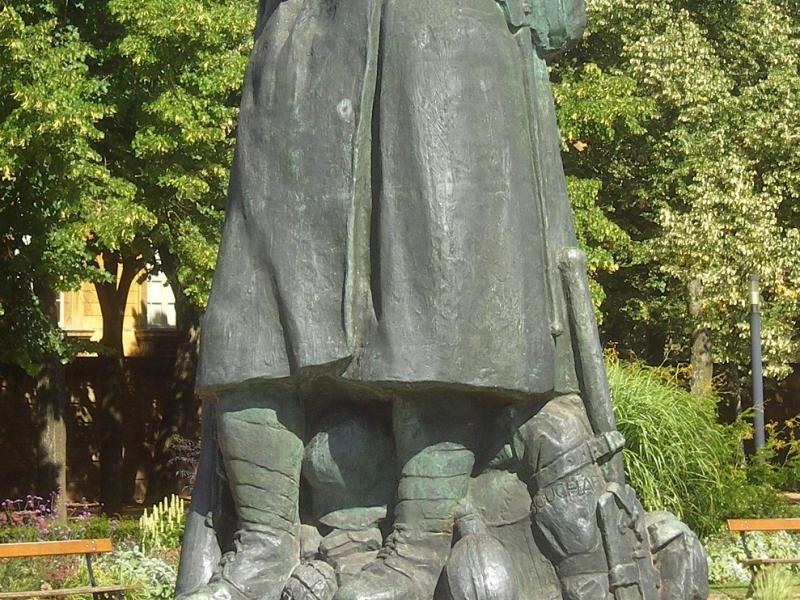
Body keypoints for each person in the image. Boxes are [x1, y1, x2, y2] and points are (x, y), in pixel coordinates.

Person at [175, 0, 590, 599]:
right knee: (256, 316)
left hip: (446, 46)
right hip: (307, 44)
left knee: (448, 307)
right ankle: (267, 540)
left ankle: (418, 549)